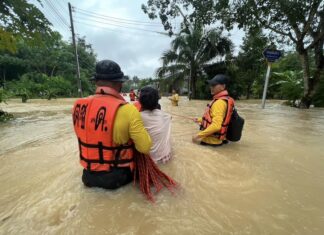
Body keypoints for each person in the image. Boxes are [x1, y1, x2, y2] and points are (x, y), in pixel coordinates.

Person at [72, 60, 152, 189]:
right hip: (118, 179)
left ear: (96, 82)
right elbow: (144, 147)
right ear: (119, 84)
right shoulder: (128, 110)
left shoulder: (78, 105)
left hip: (87, 176)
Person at [192, 74, 235, 146]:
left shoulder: (219, 103)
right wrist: (199, 119)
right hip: (218, 140)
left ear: (223, 86)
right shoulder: (226, 100)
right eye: (211, 85)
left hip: (211, 142)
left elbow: (216, 126)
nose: (211, 87)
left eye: (214, 85)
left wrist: (197, 136)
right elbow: (217, 120)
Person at [139, 86, 172, 163]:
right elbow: (170, 118)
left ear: (140, 101)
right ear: (157, 101)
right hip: (165, 157)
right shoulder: (166, 116)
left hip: (148, 161)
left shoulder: (136, 117)